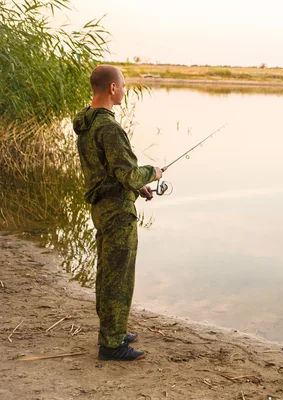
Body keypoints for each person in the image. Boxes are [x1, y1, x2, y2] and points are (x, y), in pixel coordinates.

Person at [73, 65, 164, 361]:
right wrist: (152, 173)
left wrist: (137, 189)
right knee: (118, 275)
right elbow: (128, 173)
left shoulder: (86, 124)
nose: (124, 90)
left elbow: (107, 171)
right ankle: (112, 344)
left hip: (102, 207)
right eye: (123, 86)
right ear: (112, 88)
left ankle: (113, 330)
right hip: (116, 212)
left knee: (108, 270)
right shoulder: (109, 127)